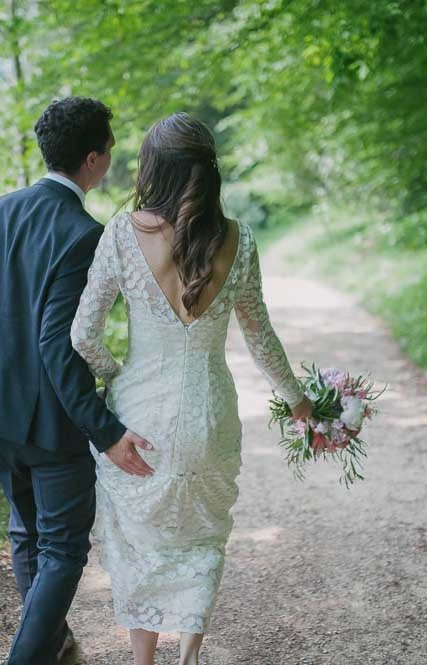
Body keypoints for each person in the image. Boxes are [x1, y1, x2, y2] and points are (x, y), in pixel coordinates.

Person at [70, 111, 313, 665]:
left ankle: (143, 661)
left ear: (153, 168)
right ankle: (190, 655)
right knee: (202, 537)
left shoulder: (122, 234)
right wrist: (299, 402)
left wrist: (115, 374)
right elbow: (262, 339)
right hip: (211, 415)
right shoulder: (239, 240)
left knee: (141, 543)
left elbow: (82, 335)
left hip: (138, 415)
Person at [0, 96, 153, 665]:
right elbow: (56, 344)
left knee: (26, 533)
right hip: (49, 422)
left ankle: (56, 645)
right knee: (62, 551)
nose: (110, 158)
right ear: (92, 159)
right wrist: (104, 430)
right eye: (109, 150)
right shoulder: (81, 231)